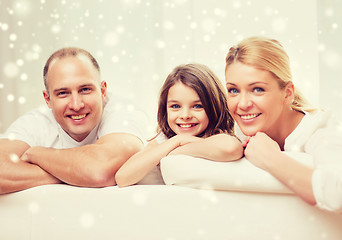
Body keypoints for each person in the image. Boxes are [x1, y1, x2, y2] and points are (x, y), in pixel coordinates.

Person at [0, 47, 145, 194]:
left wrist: (36, 154)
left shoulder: (124, 113)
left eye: (85, 89)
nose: (76, 105)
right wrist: (76, 174)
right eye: (63, 93)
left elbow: (99, 172)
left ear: (102, 91)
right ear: (47, 99)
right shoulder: (36, 121)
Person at [225, 36, 342, 213]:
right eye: (233, 90)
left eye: (257, 89)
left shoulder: (320, 130)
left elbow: (337, 192)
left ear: (287, 93)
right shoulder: (235, 128)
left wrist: (270, 158)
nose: (242, 104)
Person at [115, 63, 244, 187]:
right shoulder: (164, 140)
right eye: (175, 106)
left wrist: (180, 147)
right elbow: (122, 178)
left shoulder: (218, 135)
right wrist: (177, 140)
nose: (185, 115)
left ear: (214, 106)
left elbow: (231, 148)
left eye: (197, 106)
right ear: (165, 109)